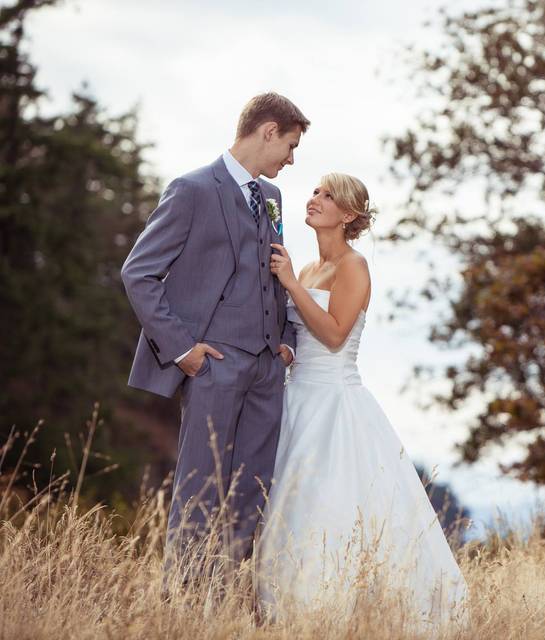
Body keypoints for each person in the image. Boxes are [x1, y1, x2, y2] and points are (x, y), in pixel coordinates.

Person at [257, 173, 469, 629]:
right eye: (315, 191)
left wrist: (290, 284)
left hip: (335, 403)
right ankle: (284, 615)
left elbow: (334, 335)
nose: (314, 199)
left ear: (348, 215)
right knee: (287, 505)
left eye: (327, 195)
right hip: (297, 396)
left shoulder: (354, 267)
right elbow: (302, 330)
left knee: (327, 503)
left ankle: (338, 611)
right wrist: (288, 345)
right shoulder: (312, 269)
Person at [120, 92, 309, 584]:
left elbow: (275, 272)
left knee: (252, 487)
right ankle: (183, 599)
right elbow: (139, 273)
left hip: (269, 366)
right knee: (201, 485)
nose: (291, 159)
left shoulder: (272, 198)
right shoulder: (192, 189)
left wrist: (286, 339)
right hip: (214, 363)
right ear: (268, 131)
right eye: (289, 146)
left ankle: (224, 594)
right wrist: (183, 350)